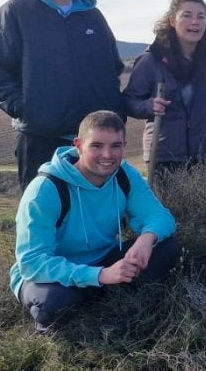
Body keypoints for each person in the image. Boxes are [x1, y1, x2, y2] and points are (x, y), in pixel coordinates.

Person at [11, 110, 180, 331]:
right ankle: (71, 317)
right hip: (53, 274)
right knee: (55, 302)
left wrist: (146, 240)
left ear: (124, 146)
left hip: (103, 260)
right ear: (79, 146)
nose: (107, 155)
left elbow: (160, 216)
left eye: (116, 146)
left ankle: (103, 299)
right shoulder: (45, 190)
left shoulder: (124, 175)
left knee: (167, 248)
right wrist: (99, 275)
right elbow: (32, 262)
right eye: (97, 146)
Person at [0, 0, 126, 186]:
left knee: (94, 208)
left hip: (93, 144)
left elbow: (113, 68)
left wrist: (111, 114)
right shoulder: (16, 12)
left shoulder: (93, 17)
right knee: (42, 207)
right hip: (41, 139)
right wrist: (27, 108)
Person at [125, 0, 206, 172]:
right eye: (187, 15)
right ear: (172, 20)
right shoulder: (152, 59)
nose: (195, 22)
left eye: (201, 17)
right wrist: (148, 105)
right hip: (164, 156)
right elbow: (129, 101)